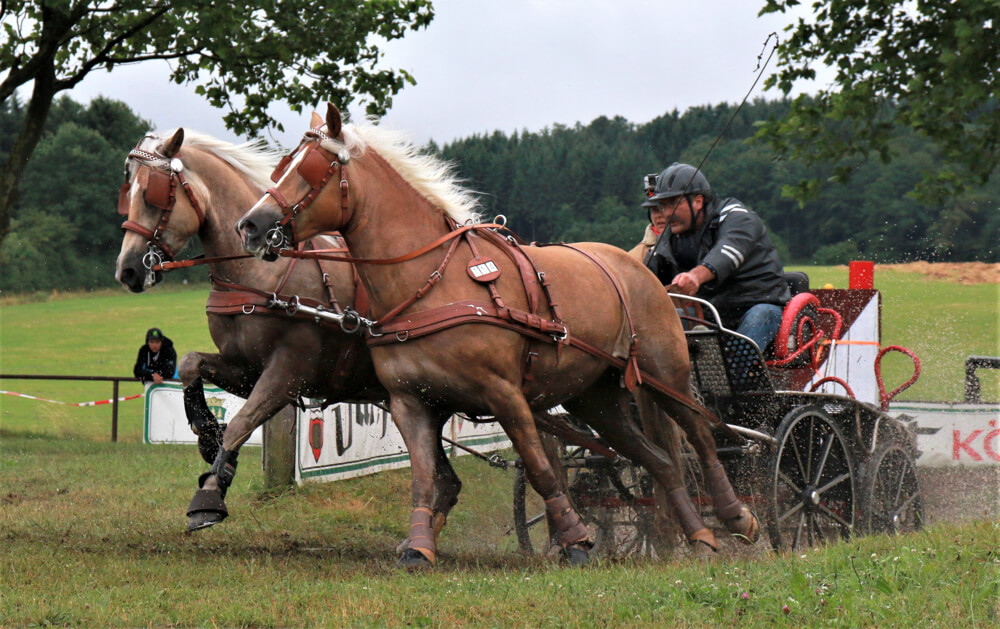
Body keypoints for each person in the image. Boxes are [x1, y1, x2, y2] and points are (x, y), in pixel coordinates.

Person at [642, 163, 790, 352]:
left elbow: (728, 252)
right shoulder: (669, 238)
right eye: (663, 206)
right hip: (709, 314)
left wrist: (695, 276)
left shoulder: (737, 217)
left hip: (757, 305)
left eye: (674, 203)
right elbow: (645, 274)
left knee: (760, 316)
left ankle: (736, 376)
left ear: (698, 201)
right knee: (667, 319)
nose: (667, 213)